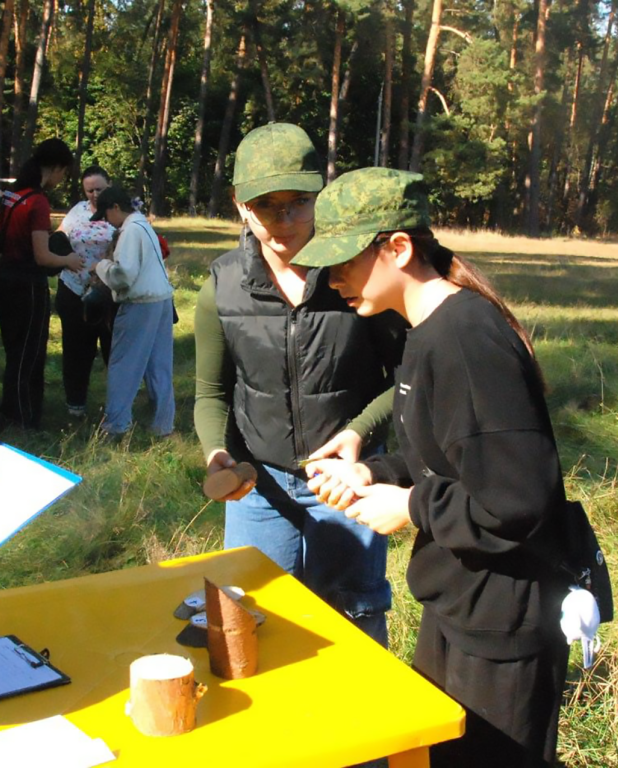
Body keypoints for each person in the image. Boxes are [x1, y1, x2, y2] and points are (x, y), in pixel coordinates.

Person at [296, 168, 568, 767]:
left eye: (344, 260)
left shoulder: (466, 339)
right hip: (459, 605)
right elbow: (451, 460)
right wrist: (376, 472)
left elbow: (518, 499)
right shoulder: (423, 334)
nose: (332, 278)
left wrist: (411, 507)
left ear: (398, 247)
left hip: (504, 628)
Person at [193, 123, 405, 645]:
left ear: (319, 195)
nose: (284, 221)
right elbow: (211, 393)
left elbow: (407, 379)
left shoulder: (357, 272)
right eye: (267, 206)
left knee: (352, 621)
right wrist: (218, 455)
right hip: (259, 486)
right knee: (251, 620)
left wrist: (358, 435)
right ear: (241, 205)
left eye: (298, 204)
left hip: (346, 482)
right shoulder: (221, 287)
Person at [0, 138, 83, 429]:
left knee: (13, 351)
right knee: (29, 354)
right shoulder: (38, 201)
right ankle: (25, 418)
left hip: (2, 280)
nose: (61, 179)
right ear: (55, 168)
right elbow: (42, 257)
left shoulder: (12, 195)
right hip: (27, 286)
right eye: (63, 173)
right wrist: (68, 260)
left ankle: (8, 412)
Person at [90, 185, 175, 437]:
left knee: (123, 364)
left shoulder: (129, 231)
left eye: (106, 215)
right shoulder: (144, 226)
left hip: (140, 303)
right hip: (162, 300)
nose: (107, 222)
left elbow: (124, 275)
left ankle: (116, 425)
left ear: (115, 207)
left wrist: (100, 266)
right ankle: (163, 425)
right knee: (159, 366)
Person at [56, 165, 117, 417]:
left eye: (99, 189)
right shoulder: (77, 211)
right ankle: (75, 406)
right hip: (73, 288)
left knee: (113, 350)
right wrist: (65, 256)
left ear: (109, 186)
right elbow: (60, 235)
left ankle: (117, 409)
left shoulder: (119, 211)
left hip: (109, 292)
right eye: (89, 190)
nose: (94, 194)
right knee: (76, 351)